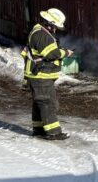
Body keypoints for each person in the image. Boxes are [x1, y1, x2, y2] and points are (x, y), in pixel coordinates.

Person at [21, 8, 74, 140]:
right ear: (49, 23)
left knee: (40, 103)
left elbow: (48, 50)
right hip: (40, 75)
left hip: (40, 75)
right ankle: (53, 132)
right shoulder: (41, 35)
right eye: (54, 27)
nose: (55, 30)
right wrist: (66, 53)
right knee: (47, 103)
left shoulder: (41, 32)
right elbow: (51, 54)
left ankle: (39, 129)